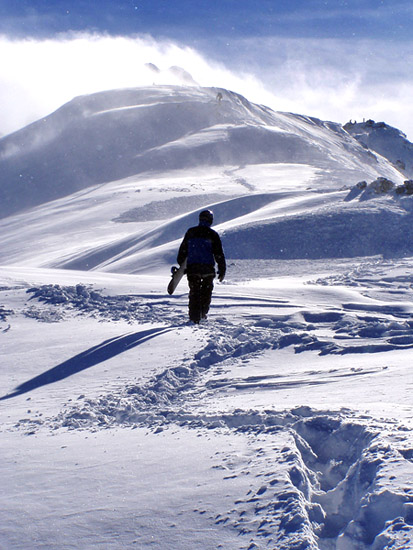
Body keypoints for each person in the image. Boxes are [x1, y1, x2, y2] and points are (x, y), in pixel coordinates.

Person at [177, 209, 226, 324]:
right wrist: (222, 269)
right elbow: (218, 253)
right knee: (206, 292)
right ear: (211, 220)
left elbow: (182, 252)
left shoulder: (191, 232)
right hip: (208, 269)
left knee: (194, 292)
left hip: (193, 269)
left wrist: (182, 266)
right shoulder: (213, 234)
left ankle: (194, 317)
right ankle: (203, 314)